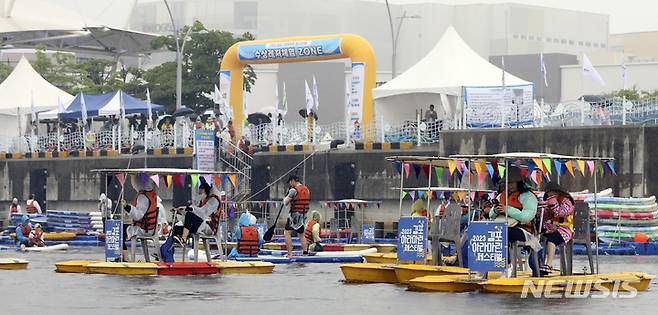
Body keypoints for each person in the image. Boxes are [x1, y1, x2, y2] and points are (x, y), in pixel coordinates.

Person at [485, 167, 540, 276]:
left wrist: (507, 210)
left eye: (511, 183)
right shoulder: (501, 195)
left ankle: (507, 265)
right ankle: (486, 266)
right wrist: (495, 210)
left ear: (518, 182)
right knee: (484, 231)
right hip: (502, 226)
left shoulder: (529, 197)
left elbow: (526, 217)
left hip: (524, 231)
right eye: (507, 182)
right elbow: (491, 215)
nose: (509, 185)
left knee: (502, 233)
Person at [539, 182, 575, 276]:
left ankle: (549, 264)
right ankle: (538, 265)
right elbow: (545, 217)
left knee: (551, 241)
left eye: (553, 192)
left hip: (565, 230)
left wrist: (553, 203)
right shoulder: (547, 202)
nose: (551, 195)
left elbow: (561, 213)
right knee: (537, 238)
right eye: (549, 193)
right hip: (551, 228)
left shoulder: (567, 201)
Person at [121, 176, 159, 261]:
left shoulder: (143, 197)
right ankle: (125, 257)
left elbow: (138, 215)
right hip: (148, 227)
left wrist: (127, 207)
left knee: (119, 230)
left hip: (144, 229)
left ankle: (125, 258)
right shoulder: (152, 194)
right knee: (124, 227)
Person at [283, 175, 310, 257]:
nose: (290, 184)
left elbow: (285, 203)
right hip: (303, 215)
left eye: (290, 182)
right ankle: (305, 252)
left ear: (293, 181)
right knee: (301, 234)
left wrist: (287, 195)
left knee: (287, 233)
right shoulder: (306, 189)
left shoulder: (293, 190)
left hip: (294, 215)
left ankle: (289, 254)